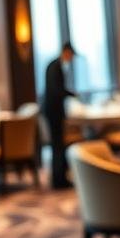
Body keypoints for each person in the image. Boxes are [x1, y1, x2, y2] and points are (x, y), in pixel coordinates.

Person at [42, 43, 77, 189]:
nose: (71, 59)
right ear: (66, 52)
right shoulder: (55, 67)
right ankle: (58, 180)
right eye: (71, 55)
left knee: (59, 144)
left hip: (53, 110)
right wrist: (72, 94)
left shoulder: (54, 65)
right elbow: (57, 90)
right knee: (57, 145)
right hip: (53, 111)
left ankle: (60, 178)